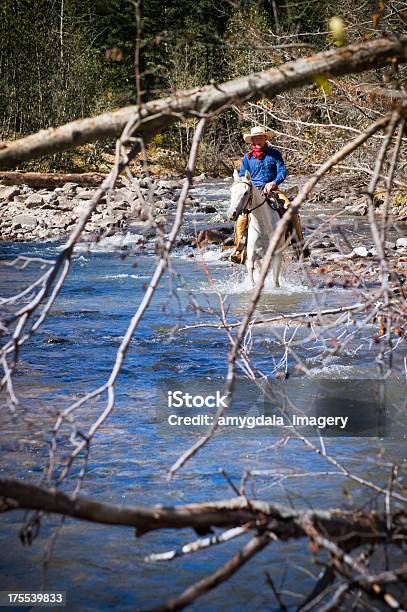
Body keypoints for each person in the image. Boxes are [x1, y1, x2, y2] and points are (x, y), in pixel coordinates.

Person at [231, 126, 308, 264]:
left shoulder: (275, 154)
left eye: (261, 137)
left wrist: (273, 183)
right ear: (252, 140)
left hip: (272, 190)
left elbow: (282, 172)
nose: (258, 140)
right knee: (241, 218)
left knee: (291, 209)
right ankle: (238, 249)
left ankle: (299, 245)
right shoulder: (247, 158)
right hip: (252, 192)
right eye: (256, 138)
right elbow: (243, 175)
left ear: (265, 138)